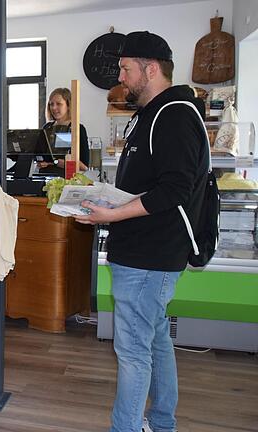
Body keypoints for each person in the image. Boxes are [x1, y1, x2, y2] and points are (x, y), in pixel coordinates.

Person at [74, 31, 209, 432]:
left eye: (125, 68)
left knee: (133, 351)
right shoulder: (149, 114)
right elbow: (143, 183)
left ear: (151, 69)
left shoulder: (175, 114)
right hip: (141, 252)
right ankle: (162, 423)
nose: (120, 76)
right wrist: (95, 183)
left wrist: (111, 217)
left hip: (150, 255)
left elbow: (174, 188)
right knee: (154, 342)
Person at [35, 87, 90, 175]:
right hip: (44, 179)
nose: (54, 107)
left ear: (68, 105)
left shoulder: (78, 129)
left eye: (59, 104)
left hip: (66, 182)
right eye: (51, 104)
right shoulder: (46, 128)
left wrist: (61, 163)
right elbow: (39, 156)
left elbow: (84, 166)